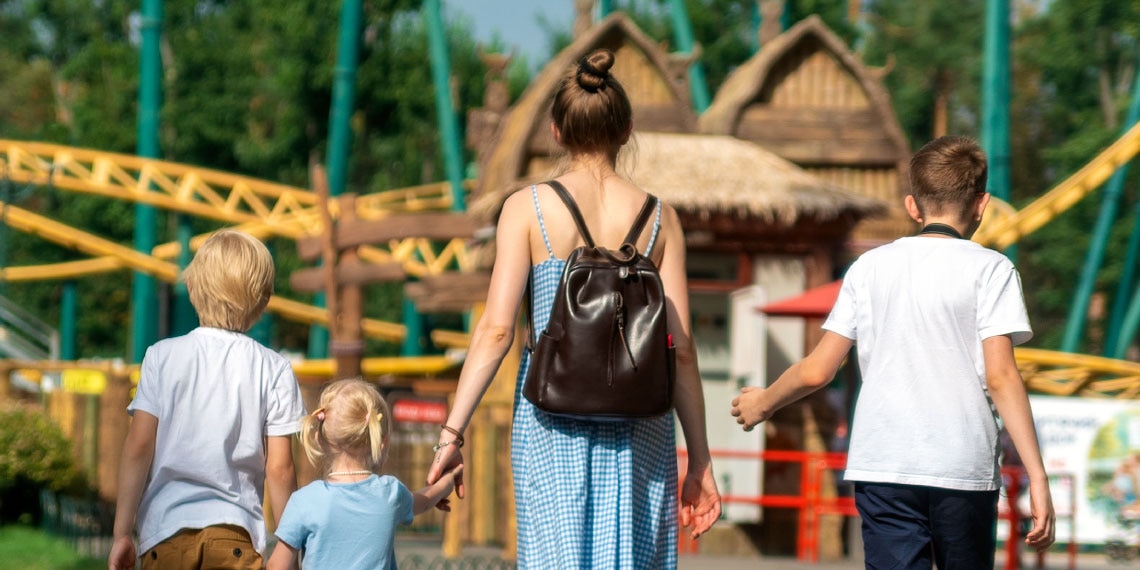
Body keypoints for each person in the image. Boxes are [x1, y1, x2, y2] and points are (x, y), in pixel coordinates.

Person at [425, 48, 721, 568]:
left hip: (550, 420)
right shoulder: (660, 219)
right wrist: (700, 459)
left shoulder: (526, 208)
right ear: (626, 130)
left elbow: (496, 332)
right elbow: (683, 350)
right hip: (641, 428)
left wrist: (453, 431)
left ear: (556, 132)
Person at [731, 136, 1056, 568]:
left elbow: (818, 370)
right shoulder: (992, 269)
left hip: (882, 464)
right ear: (982, 204)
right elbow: (1000, 377)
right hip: (961, 468)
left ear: (912, 206)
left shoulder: (868, 268)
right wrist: (1037, 476)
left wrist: (763, 402)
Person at [109, 229, 307, 570]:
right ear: (264, 300)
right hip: (236, 537)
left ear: (191, 288)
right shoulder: (274, 368)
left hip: (164, 536)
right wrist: (290, 548)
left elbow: (139, 447)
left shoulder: (161, 357)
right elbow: (280, 468)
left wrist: (121, 534)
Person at [266, 378, 461, 570]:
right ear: (381, 441)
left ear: (319, 439)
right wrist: (448, 479)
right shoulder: (390, 493)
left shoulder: (304, 502)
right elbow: (427, 499)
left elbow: (277, 566)